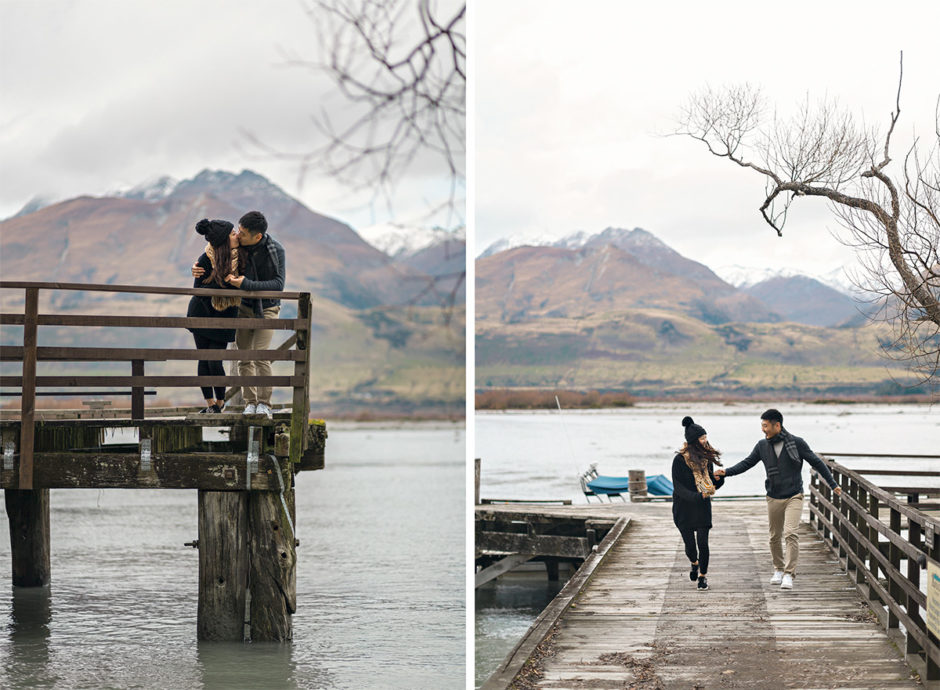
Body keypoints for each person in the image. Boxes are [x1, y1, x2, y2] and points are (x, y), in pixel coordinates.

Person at [714, 408, 842, 590]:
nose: (763, 429)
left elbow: (817, 462)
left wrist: (832, 484)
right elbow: (747, 463)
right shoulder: (762, 446)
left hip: (794, 496)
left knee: (791, 533)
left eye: (766, 426)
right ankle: (778, 569)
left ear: (777, 425)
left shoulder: (797, 443)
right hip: (773, 496)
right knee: (774, 536)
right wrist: (726, 472)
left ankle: (789, 574)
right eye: (762, 426)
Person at [195, 210, 285, 418]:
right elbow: (216, 253)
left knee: (261, 356)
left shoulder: (275, 250)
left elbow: (278, 284)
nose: (238, 235)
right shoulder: (239, 248)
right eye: (238, 230)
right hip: (243, 307)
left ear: (257, 236)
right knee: (244, 358)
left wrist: (246, 284)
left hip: (268, 307)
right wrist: (198, 267)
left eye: (243, 233)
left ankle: (264, 404)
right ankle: (250, 403)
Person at [186, 219, 241, 413]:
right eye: (233, 233)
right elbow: (198, 291)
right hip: (201, 314)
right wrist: (222, 285)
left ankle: (220, 402)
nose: (237, 235)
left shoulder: (241, 258)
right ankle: (210, 404)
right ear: (224, 240)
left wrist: (218, 286)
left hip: (225, 318)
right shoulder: (204, 259)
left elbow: (244, 282)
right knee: (203, 359)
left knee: (215, 361)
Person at [672, 416, 724, 592]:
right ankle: (694, 563)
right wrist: (697, 496)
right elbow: (678, 488)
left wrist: (719, 479)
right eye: (702, 438)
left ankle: (702, 576)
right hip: (684, 508)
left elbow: (711, 484)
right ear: (694, 441)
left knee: (703, 543)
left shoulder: (705, 459)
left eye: (705, 437)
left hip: (702, 507)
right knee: (690, 547)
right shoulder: (679, 460)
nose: (705, 441)